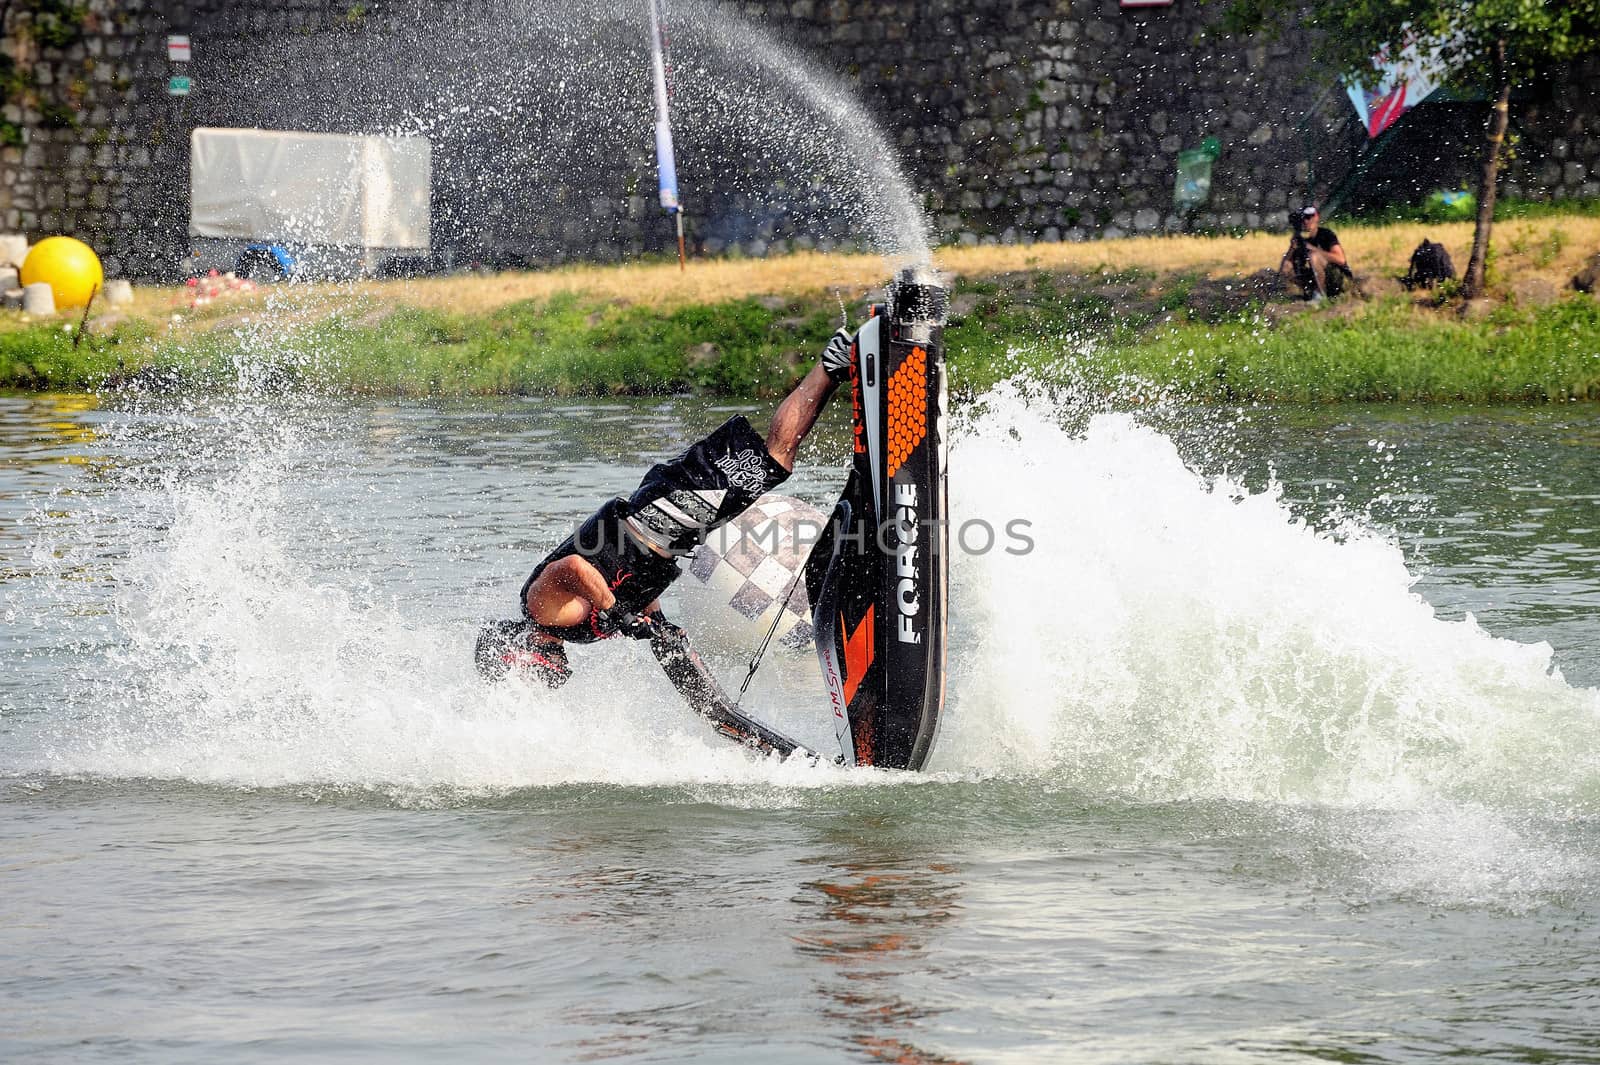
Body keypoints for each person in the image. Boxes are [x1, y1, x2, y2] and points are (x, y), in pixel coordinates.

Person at [475, 325, 857, 692]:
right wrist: (653, 620)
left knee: (775, 460)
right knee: (775, 463)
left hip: (664, 512)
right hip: (671, 528)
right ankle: (835, 367)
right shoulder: (570, 629)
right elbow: (621, 576)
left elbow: (572, 567)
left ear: (515, 653)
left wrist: (617, 612)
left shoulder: (540, 611)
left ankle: (832, 364)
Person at [1280, 205, 1352, 302]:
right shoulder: (1299, 239)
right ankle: (1308, 292)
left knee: (1313, 256)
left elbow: (1341, 260)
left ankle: (1320, 295)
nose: (1306, 221)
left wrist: (1314, 249)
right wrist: (1292, 249)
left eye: (1309, 217)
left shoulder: (1326, 235)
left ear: (1316, 217)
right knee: (1287, 264)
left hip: (1335, 278)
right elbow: (1285, 267)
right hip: (1313, 278)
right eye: (1303, 218)